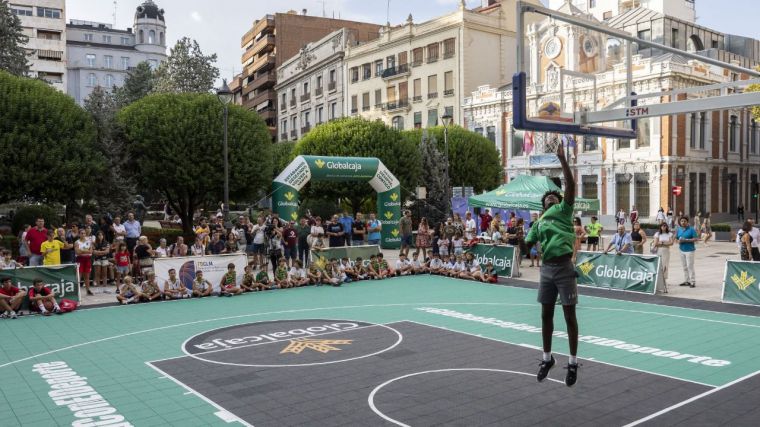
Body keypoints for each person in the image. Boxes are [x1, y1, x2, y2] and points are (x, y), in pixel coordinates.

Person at [524, 142, 580, 387]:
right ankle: (547, 358)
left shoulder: (564, 210)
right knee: (546, 314)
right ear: (542, 204)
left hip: (565, 268)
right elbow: (526, 247)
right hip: (546, 269)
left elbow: (572, 185)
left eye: (553, 195)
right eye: (546, 197)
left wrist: (562, 159)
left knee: (569, 316)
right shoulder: (538, 223)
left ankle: (573, 362)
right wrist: (519, 240)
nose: (550, 196)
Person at [676, 216, 698, 288]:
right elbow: (676, 238)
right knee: (684, 266)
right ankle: (687, 281)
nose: (683, 222)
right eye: (681, 221)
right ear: (680, 222)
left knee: (690, 266)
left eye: (684, 221)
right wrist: (678, 241)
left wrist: (686, 240)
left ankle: (692, 281)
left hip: (690, 250)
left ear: (687, 222)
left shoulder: (691, 230)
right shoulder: (679, 229)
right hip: (681, 250)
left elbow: (695, 239)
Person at [652, 223, 674, 292]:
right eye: (662, 226)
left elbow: (671, 243)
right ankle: (658, 282)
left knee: (665, 266)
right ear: (660, 227)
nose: (663, 227)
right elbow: (656, 243)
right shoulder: (657, 234)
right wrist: (664, 243)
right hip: (659, 251)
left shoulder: (669, 234)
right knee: (659, 266)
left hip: (666, 251)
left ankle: (664, 281)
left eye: (665, 226)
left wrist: (662, 242)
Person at [74, 229, 94, 295]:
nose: (83, 235)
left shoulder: (89, 242)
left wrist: (82, 250)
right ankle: (77, 291)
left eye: (84, 233)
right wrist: (86, 251)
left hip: (87, 259)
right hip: (80, 259)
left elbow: (91, 251)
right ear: (79, 234)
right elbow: (77, 252)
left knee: (87, 276)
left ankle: (88, 290)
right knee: (78, 276)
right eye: (81, 233)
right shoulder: (77, 242)